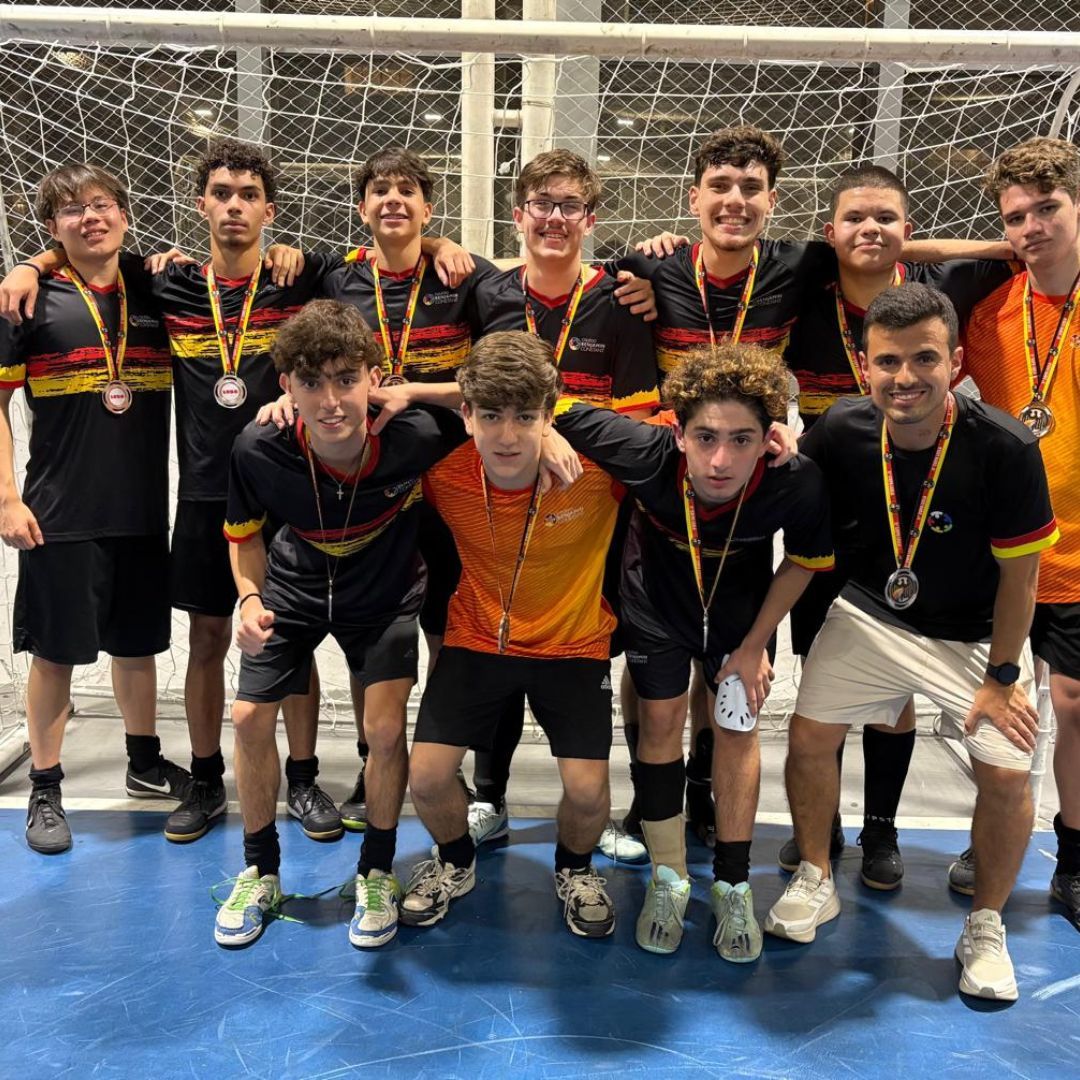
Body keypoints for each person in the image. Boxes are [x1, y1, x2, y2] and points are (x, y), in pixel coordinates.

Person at [765, 283, 1058, 1002]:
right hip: (871, 615)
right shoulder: (842, 429)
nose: (905, 378)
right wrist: (781, 447)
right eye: (888, 361)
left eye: (924, 359)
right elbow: (796, 487)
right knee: (808, 735)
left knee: (1007, 773)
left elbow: (1021, 581)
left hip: (977, 636)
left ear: (955, 363)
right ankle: (816, 875)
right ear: (866, 366)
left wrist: (1003, 676)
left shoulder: (1007, 448)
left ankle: (985, 923)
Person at [554, 343, 834, 961]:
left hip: (740, 619)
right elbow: (541, 399)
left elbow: (805, 561)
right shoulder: (643, 449)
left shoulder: (795, 479)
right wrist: (544, 431)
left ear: (770, 437)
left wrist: (755, 645)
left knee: (737, 725)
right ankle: (669, 877)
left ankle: (733, 884)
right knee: (659, 722)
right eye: (705, 437)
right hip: (655, 607)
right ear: (677, 432)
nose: (720, 459)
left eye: (741, 439)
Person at [780, 164, 1015, 888]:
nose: (870, 230)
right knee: (824, 687)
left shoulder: (939, 291)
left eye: (887, 218)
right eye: (855, 218)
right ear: (830, 231)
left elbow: (1017, 251)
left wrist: (986, 244)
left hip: (918, 514)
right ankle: (822, 828)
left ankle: (880, 829)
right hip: (835, 507)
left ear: (910, 232)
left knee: (896, 693)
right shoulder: (803, 289)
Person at [215, 299, 470, 949]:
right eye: (311, 383)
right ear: (287, 386)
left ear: (373, 379)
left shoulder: (416, 433)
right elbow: (244, 538)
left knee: (383, 730)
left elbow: (497, 397)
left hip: (385, 594)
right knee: (247, 719)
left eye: (346, 380)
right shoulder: (257, 447)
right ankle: (260, 871)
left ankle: (377, 871)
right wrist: (248, 599)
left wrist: (415, 390)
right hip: (293, 588)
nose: (330, 402)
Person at [396, 330, 625, 937]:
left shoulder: (597, 472)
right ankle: (455, 861)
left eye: (525, 417)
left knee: (587, 792)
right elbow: (343, 426)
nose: (507, 436)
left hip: (574, 644)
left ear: (549, 416)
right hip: (477, 639)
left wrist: (780, 433)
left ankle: (575, 869)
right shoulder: (442, 474)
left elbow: (682, 428)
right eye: (491, 415)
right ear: (466, 414)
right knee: (426, 777)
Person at [0, 164, 180, 854]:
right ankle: (45, 786)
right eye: (72, 210)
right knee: (55, 654)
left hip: (141, 508)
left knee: (138, 646)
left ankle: (143, 761)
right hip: (58, 511)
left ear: (125, 214)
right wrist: (7, 497)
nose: (90, 217)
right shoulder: (28, 299)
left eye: (101, 204)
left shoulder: (153, 286)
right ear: (53, 227)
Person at [952, 137, 1080, 927]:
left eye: (1047, 209)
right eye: (1015, 218)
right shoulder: (989, 313)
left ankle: (1073, 859)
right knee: (995, 706)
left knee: (1074, 703)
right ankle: (992, 834)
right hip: (1002, 551)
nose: (1031, 228)